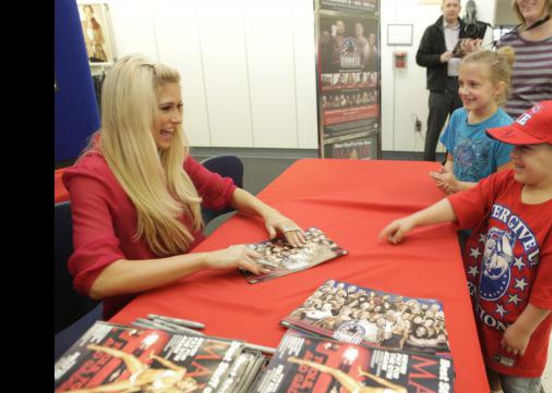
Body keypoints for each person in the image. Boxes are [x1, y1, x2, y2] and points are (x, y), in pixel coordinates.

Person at [63, 55, 306, 320]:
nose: (178, 119)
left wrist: (270, 213)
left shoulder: (168, 153)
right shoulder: (91, 178)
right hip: (146, 311)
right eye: (166, 108)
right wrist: (204, 260)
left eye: (180, 106)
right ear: (131, 113)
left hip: (193, 286)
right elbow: (100, 279)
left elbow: (225, 191)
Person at [380, 101, 552, 393]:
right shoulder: (508, 181)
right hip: (483, 317)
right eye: (514, 145)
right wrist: (413, 221)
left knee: (519, 385)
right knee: (485, 376)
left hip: (519, 338)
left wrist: (523, 329)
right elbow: (464, 203)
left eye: (525, 149)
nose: (513, 155)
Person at [428, 48, 516, 195]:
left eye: (473, 85)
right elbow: (451, 160)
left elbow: (503, 188)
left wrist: (458, 186)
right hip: (457, 199)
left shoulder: (506, 130)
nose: (463, 91)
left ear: (497, 88)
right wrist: (447, 177)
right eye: (461, 83)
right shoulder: (457, 116)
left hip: (485, 208)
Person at [416, 0, 479, 162]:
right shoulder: (432, 31)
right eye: (448, 5)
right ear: (442, 8)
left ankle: (451, 164)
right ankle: (427, 163)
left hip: (463, 87)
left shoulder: (469, 30)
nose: (451, 8)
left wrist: (471, 54)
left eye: (455, 5)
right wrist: (439, 58)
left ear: (460, 8)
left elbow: (478, 59)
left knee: (459, 129)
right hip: (439, 88)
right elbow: (420, 58)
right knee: (434, 129)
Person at [64, 344, 198, 393]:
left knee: (98, 390)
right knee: (126, 355)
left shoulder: (171, 391)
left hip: (135, 383)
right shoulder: (180, 371)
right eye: (186, 382)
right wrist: (155, 357)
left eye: (185, 387)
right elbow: (168, 363)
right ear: (187, 379)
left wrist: (148, 388)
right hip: (140, 371)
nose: (183, 385)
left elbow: (147, 390)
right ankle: (96, 347)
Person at [287, 357, 408, 393]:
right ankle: (298, 361)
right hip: (358, 389)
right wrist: (364, 373)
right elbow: (382, 381)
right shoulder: (402, 390)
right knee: (336, 372)